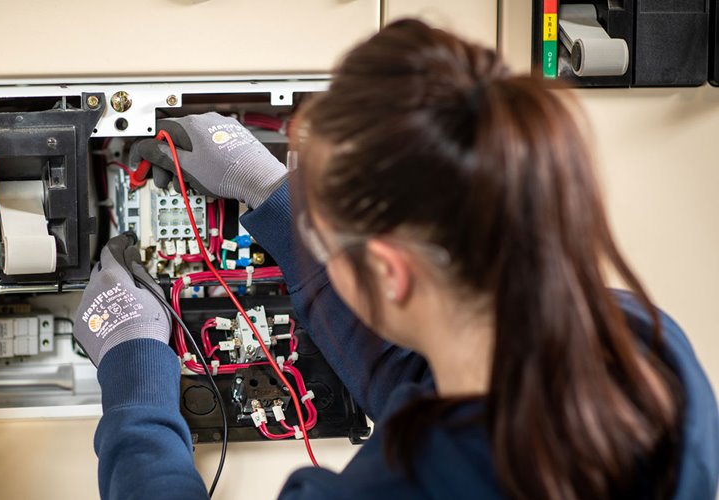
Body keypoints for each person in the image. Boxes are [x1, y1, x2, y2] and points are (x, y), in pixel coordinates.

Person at [72, 20, 719, 500]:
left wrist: (134, 383)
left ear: (389, 270)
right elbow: (429, 375)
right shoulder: (646, 346)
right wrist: (272, 195)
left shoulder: (393, 488)